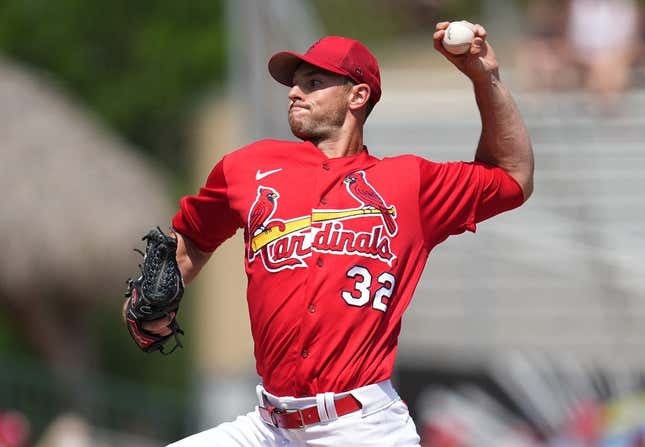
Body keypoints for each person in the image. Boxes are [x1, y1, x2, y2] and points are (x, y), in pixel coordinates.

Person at [134, 21, 534, 446]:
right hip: (268, 427)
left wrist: (484, 77)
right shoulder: (247, 168)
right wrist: (145, 302)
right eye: (294, 83)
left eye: (313, 82)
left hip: (360, 428)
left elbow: (513, 176)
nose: (294, 92)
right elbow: (192, 238)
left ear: (358, 96)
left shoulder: (409, 182)